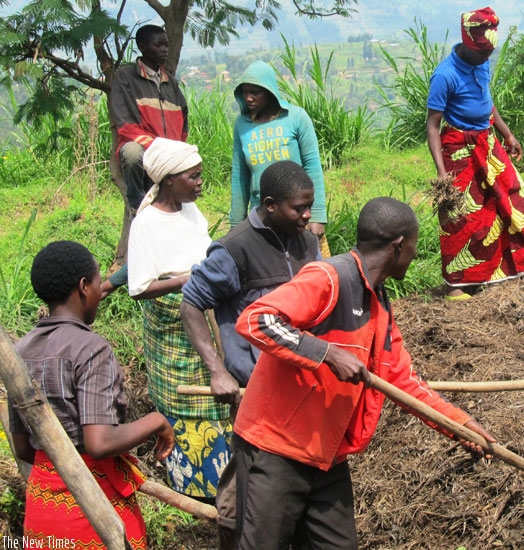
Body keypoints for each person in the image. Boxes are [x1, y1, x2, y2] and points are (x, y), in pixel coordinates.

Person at [231, 197, 496, 548]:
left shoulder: (379, 303)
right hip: (278, 450)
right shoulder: (328, 278)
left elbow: (403, 380)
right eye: (415, 244)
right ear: (399, 246)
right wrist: (326, 353)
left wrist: (458, 424)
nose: (416, 254)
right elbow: (256, 319)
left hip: (327, 457)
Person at [180, 160, 321, 547]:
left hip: (302, 386)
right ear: (271, 204)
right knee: (255, 482)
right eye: (299, 208)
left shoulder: (306, 241)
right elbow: (191, 304)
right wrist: (217, 370)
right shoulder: (235, 249)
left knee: (299, 479)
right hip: (254, 392)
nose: (308, 215)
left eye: (310, 206)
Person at [8, 240, 174, 549]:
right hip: (91, 508)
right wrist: (156, 420)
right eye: (99, 282)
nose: (101, 291)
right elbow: (100, 443)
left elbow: (22, 447)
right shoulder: (91, 349)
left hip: (43, 509)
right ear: (84, 287)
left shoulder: (19, 351)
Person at [128, 138, 231, 500]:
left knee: (219, 391)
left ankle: (228, 485)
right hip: (173, 329)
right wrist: (187, 280)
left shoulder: (190, 211)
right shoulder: (147, 224)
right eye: (194, 176)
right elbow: (139, 287)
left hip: (203, 311)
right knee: (186, 401)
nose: (201, 182)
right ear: (169, 180)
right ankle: (196, 492)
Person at [426, 6, 524, 300]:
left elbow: (487, 102)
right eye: (481, 52)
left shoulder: (483, 62)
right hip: (458, 148)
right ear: (468, 44)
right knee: (466, 214)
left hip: (488, 141)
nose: (486, 57)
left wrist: (507, 133)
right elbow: (432, 126)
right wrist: (443, 173)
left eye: (489, 52)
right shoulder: (444, 76)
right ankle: (462, 285)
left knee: (516, 197)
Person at [230, 60, 329, 255]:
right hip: (263, 216)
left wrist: (317, 216)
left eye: (255, 93)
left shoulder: (296, 118)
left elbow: (312, 167)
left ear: (269, 91)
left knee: (311, 271)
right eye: (245, 92)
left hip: (298, 214)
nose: (249, 98)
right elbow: (240, 177)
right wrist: (236, 225)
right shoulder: (242, 125)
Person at [110, 24, 189, 211]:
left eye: (166, 45)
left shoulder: (170, 81)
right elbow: (125, 122)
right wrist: (156, 147)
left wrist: (176, 149)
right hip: (141, 145)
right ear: (142, 47)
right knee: (131, 153)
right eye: (158, 45)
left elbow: (183, 119)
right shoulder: (126, 77)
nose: (164, 50)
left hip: (168, 148)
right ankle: (137, 204)